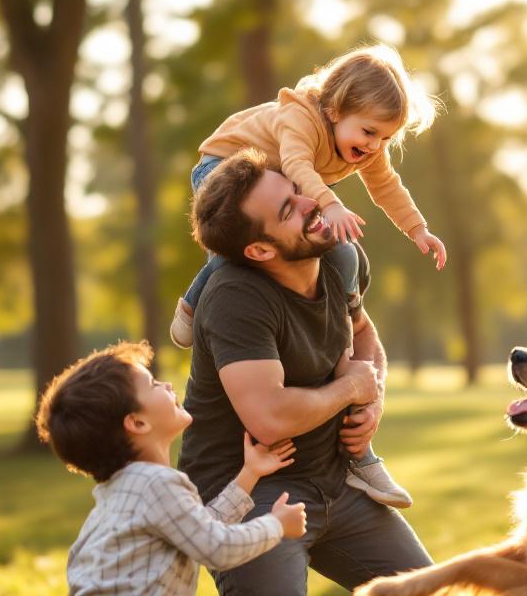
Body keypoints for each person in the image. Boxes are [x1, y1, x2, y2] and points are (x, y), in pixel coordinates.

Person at [170, 43, 446, 508]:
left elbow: (386, 187)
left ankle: (360, 453)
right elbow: (297, 166)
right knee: (237, 249)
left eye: (385, 138)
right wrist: (330, 203)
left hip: (281, 189)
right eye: (369, 132)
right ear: (335, 109)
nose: (374, 146)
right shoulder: (299, 119)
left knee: (341, 255)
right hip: (224, 169)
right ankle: (192, 303)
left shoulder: (363, 146)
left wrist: (418, 229)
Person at [176, 149, 434, 595]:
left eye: (298, 190)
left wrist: (372, 399)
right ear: (259, 249)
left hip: (335, 482)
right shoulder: (234, 297)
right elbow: (269, 418)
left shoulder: (337, 255)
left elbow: (364, 333)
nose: (310, 202)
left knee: (433, 591)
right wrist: (350, 387)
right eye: (287, 209)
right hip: (247, 493)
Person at [35, 341, 308, 596]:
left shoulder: (118, 494)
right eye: (153, 384)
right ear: (138, 423)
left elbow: (200, 528)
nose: (166, 385)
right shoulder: (156, 484)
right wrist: (277, 525)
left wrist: (249, 473)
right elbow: (218, 549)